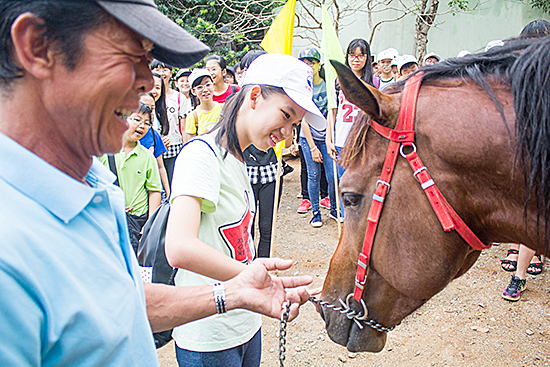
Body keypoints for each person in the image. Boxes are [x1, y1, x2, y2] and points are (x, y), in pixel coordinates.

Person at [0, 1, 311, 365]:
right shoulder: (10, 251)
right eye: (131, 54)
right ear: (38, 46)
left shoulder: (96, 186)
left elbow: (122, 301)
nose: (149, 81)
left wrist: (235, 294)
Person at [165, 53, 326, 366]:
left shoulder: (237, 159)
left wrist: (255, 275)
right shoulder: (201, 155)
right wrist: (256, 280)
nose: (287, 133)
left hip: (245, 324)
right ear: (254, 96)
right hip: (209, 334)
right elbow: (180, 247)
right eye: (286, 116)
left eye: (295, 125)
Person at [99, 103, 162, 251]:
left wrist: (149, 224)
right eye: (137, 120)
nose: (142, 126)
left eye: (147, 123)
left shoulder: (147, 156)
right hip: (109, 217)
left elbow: (154, 190)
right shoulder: (104, 150)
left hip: (137, 221)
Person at [298, 47, 340, 227]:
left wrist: (329, 139)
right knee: (313, 174)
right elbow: (303, 119)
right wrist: (313, 147)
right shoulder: (302, 89)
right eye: (304, 62)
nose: (308, 65)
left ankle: (333, 208)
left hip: (327, 136)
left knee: (332, 176)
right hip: (308, 138)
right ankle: (315, 212)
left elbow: (332, 111)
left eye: (311, 62)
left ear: (318, 64)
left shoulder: (328, 84)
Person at [327, 38, 374, 184]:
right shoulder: (338, 82)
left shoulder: (374, 83)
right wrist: (328, 139)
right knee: (344, 184)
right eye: (352, 55)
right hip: (342, 142)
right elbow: (332, 111)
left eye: (361, 55)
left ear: (367, 57)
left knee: (362, 184)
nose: (356, 59)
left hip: (364, 143)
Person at [151, 60, 190, 185]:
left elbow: (184, 129)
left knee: (174, 183)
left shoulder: (178, 98)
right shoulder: (145, 101)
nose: (161, 73)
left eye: (164, 69)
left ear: (171, 72)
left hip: (173, 147)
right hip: (152, 150)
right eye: (157, 69)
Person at [139, 93, 171, 197]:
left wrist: (168, 192)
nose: (149, 112)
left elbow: (160, 166)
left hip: (154, 190)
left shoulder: (153, 134)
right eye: (145, 107)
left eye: (152, 108)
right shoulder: (123, 136)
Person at [184, 68, 223, 141]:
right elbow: (190, 144)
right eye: (199, 87)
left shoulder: (223, 108)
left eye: (208, 85)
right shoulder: (193, 116)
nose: (205, 90)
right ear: (193, 91)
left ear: (213, 85)